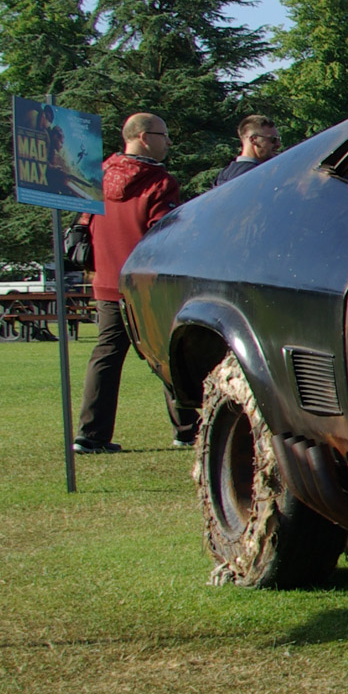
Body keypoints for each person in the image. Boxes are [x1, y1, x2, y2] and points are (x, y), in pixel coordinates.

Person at [74, 112, 196, 453]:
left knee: (107, 354)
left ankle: (90, 434)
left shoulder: (95, 175)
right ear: (144, 137)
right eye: (163, 134)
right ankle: (187, 431)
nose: (168, 141)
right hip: (146, 285)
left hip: (107, 281)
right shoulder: (159, 181)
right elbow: (162, 236)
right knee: (170, 354)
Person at [215, 114, 281, 186]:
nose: (278, 144)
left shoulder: (224, 175)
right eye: (273, 139)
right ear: (253, 140)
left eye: (278, 139)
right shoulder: (253, 175)